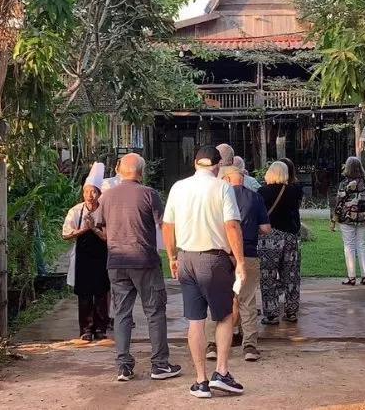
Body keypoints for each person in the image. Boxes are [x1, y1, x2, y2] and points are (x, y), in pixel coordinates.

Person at [162, 145, 246, 399]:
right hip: (213, 258)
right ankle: (221, 371)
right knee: (224, 316)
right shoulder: (222, 188)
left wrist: (171, 256)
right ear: (218, 166)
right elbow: (231, 226)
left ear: (195, 164)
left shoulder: (178, 187)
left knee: (195, 320)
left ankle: (200, 380)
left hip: (185, 257)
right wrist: (240, 261)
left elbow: (167, 225)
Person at [96, 153, 181, 382]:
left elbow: (101, 226)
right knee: (155, 312)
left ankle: (123, 366)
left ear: (119, 169)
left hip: (116, 262)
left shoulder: (107, 196)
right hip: (145, 261)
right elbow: (164, 225)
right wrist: (172, 255)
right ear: (142, 172)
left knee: (122, 313)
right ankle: (160, 364)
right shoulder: (149, 194)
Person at [206, 165, 271, 362]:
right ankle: (249, 346)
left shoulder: (217, 197)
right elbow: (266, 228)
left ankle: (212, 344)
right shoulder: (255, 198)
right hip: (248, 253)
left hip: (221, 254)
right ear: (242, 178)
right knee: (247, 301)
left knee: (216, 299)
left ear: (226, 179)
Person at [62, 163, 110, 341]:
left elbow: (107, 237)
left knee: (101, 293)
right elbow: (66, 234)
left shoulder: (105, 211)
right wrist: (83, 229)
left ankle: (101, 328)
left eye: (93, 192)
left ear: (99, 193)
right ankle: (86, 329)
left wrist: (94, 229)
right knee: (84, 294)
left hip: (101, 257)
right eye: (86, 192)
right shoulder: (76, 211)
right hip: (83, 258)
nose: (90, 195)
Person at [258, 161, 302, 325]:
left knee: (268, 275)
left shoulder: (261, 192)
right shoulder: (292, 191)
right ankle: (291, 311)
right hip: (289, 235)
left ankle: (271, 313)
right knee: (291, 274)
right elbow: (295, 212)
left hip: (268, 237)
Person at [332, 156, 365, 286]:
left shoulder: (344, 184)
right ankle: (364, 276)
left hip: (347, 216)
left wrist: (334, 218)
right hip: (363, 215)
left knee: (349, 246)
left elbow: (339, 201)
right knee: (362, 245)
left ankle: (351, 277)